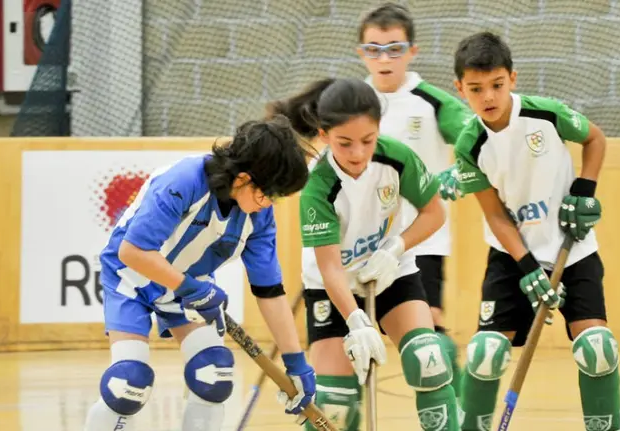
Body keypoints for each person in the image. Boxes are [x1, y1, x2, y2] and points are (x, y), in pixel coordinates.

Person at [83, 116, 319, 431]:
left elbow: (270, 293)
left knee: (215, 376)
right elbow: (132, 252)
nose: (268, 205)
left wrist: (296, 363)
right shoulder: (184, 181)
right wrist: (192, 289)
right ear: (243, 179)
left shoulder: (259, 218)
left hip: (189, 285)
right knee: (128, 384)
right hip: (132, 277)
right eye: (268, 195)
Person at [445, 31, 620, 431]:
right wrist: (527, 267)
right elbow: (494, 215)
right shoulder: (469, 146)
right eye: (476, 89)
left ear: (513, 78)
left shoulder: (545, 113)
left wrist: (584, 190)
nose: (488, 97)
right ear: (460, 89)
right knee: (485, 354)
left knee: (598, 349)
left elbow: (595, 138)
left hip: (572, 249)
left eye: (497, 85)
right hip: (512, 257)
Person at [268, 77, 460, 431]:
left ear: (378, 130)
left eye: (367, 141)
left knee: (427, 360)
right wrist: (356, 322)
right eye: (344, 143)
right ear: (324, 135)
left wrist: (396, 247)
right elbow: (330, 269)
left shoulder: (397, 157)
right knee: (335, 408)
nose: (357, 153)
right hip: (333, 288)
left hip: (393, 273)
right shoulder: (317, 185)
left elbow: (434, 213)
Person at [356, 2, 473, 400]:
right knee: (353, 335)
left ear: (412, 52)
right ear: (361, 53)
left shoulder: (434, 102)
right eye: (373, 49)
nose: (383, 59)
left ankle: (454, 411)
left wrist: (462, 171)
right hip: (358, 239)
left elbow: (478, 138)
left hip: (422, 237)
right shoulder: (350, 102)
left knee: (429, 334)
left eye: (393, 48)